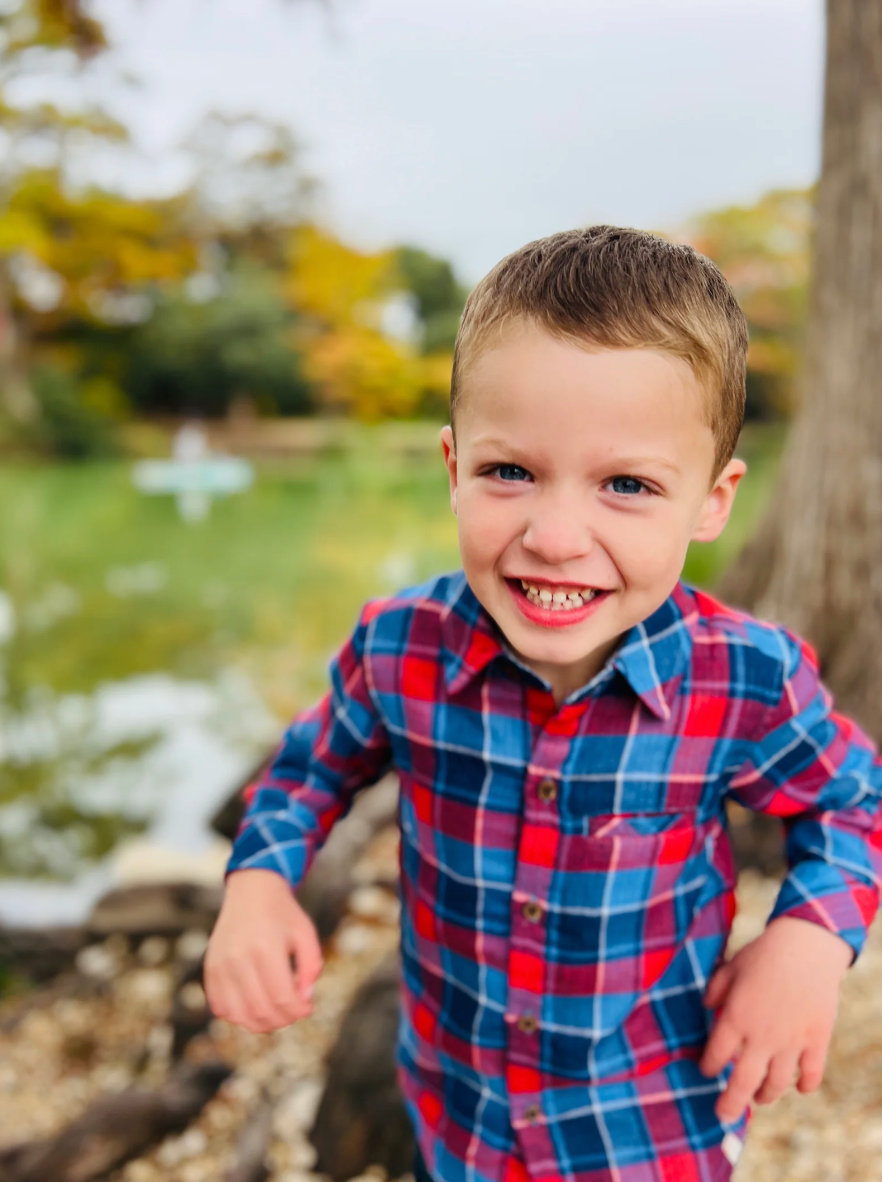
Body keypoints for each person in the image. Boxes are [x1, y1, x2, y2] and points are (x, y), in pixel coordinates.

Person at [204, 227, 882, 1182]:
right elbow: (307, 772)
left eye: (628, 486)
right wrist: (259, 882)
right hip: (457, 1107)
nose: (556, 536)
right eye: (509, 471)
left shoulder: (744, 680)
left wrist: (811, 941)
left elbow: (852, 802)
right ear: (451, 466)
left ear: (712, 502)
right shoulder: (399, 647)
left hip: (648, 1119)